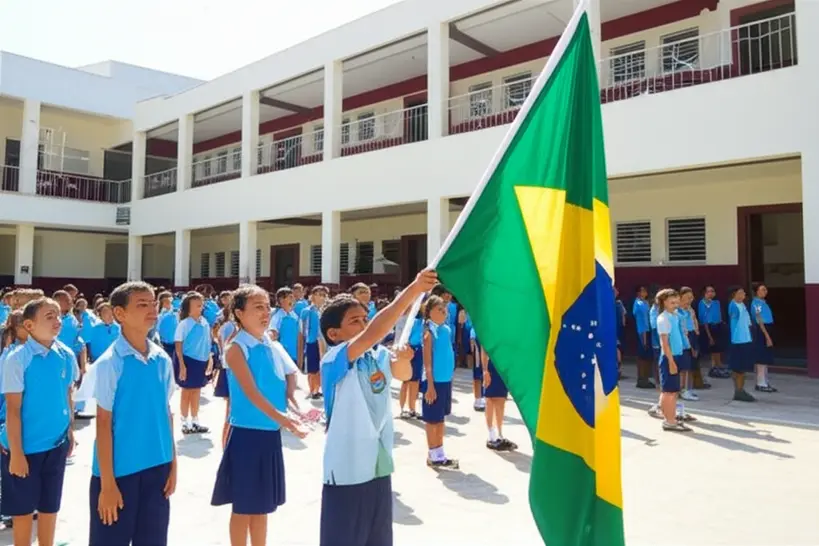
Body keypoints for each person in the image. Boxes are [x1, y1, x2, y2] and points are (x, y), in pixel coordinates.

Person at [319, 272, 433, 546]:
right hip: (346, 468)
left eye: (364, 318)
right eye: (354, 321)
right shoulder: (334, 358)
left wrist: (404, 358)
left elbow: (403, 374)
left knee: (377, 537)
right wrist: (414, 288)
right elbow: (377, 332)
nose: (363, 325)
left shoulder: (377, 354)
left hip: (378, 463)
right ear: (334, 334)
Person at [211, 284, 306, 546]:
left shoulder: (269, 344)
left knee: (262, 506)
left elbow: (284, 383)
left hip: (269, 433)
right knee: (243, 506)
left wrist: (298, 410)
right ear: (239, 313)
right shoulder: (236, 348)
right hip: (247, 436)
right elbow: (251, 394)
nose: (265, 313)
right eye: (257, 307)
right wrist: (287, 421)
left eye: (267, 306)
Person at [90, 282, 177, 546]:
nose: (152, 310)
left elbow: (166, 413)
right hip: (119, 473)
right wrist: (107, 485)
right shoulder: (110, 363)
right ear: (120, 313)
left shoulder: (162, 359)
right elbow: (103, 424)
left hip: (157, 467)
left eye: (153, 303)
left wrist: (172, 463)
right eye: (142, 305)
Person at [1, 297, 78, 546]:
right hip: (24, 447)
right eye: (49, 316)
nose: (57, 321)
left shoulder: (65, 354)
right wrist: (17, 453)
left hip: (55, 445)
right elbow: (13, 409)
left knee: (50, 505)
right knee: (23, 510)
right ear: (30, 326)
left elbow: (68, 396)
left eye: (58, 316)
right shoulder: (17, 358)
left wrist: (70, 433)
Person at [421, 295, 458, 469]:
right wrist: (429, 385)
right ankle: (432, 453)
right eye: (439, 310)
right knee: (432, 420)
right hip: (434, 381)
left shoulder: (446, 329)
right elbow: (427, 361)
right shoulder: (429, 331)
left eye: (444, 310)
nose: (443, 313)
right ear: (429, 312)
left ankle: (440, 451)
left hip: (445, 380)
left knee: (441, 418)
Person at [174, 292, 213, 434]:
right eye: (197, 305)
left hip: (201, 361)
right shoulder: (184, 324)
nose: (200, 307)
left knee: (197, 390)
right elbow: (178, 345)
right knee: (187, 391)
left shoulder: (204, 322)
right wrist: (182, 365)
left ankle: (195, 421)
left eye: (201, 304)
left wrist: (210, 360)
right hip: (187, 359)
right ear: (188, 307)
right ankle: (184, 422)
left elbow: (209, 342)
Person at [655, 289, 692, 432]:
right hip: (668, 357)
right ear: (664, 302)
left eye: (677, 302)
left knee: (674, 391)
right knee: (668, 392)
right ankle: (669, 421)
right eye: (672, 302)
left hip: (678, 354)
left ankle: (672, 417)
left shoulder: (675, 316)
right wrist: (671, 362)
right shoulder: (663, 319)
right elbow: (665, 343)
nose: (676, 305)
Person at [728, 286, 756, 402]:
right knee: (738, 368)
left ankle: (741, 389)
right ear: (734, 295)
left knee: (743, 368)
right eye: (740, 293)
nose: (743, 294)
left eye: (744, 292)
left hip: (745, 339)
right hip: (737, 340)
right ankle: (738, 391)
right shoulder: (733, 305)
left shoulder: (743, 305)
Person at [300, 286, 328, 399]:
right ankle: (313, 390)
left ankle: (318, 389)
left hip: (325, 342)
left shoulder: (326, 311)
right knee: (312, 368)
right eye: (319, 294)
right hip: (311, 342)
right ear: (313, 296)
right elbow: (303, 330)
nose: (322, 297)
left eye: (324, 295)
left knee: (322, 367)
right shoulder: (307, 311)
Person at [751, 283, 777, 393]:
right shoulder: (756, 304)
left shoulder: (763, 302)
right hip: (762, 330)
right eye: (762, 289)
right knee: (761, 357)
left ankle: (765, 381)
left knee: (765, 358)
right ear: (756, 291)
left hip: (768, 328)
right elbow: (759, 320)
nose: (765, 291)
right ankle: (760, 383)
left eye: (765, 289)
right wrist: (767, 336)